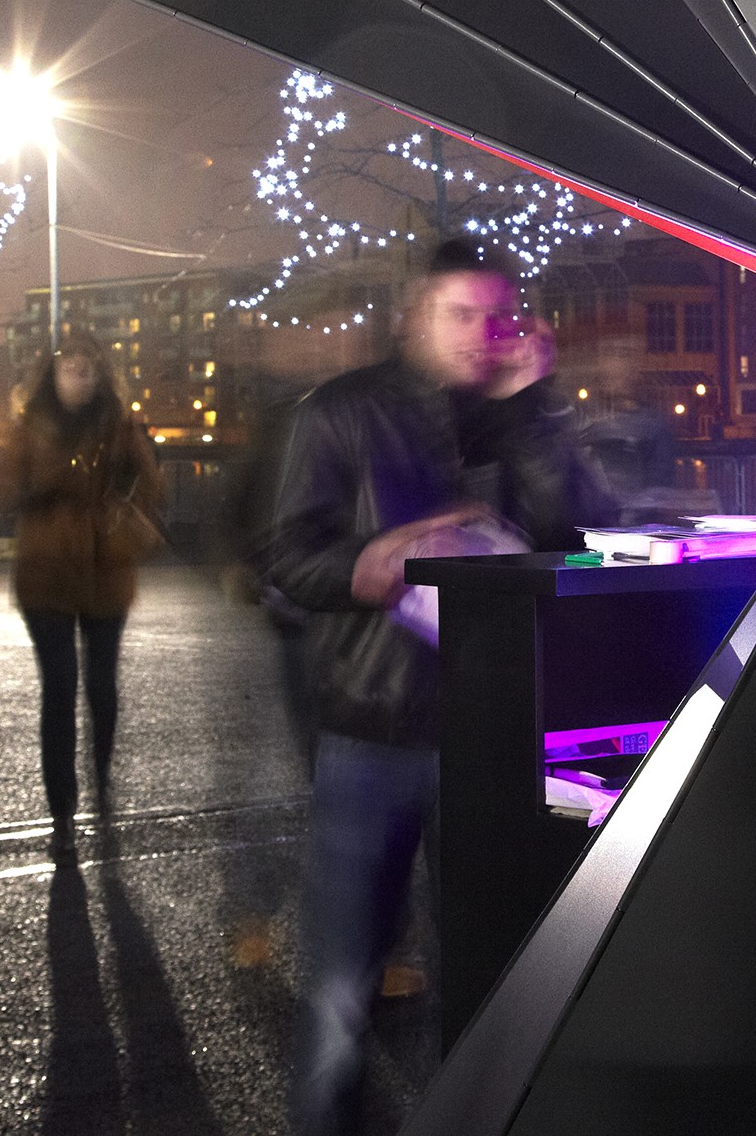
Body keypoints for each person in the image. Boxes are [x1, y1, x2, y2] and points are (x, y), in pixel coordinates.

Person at [253, 239, 609, 1136]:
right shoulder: (342, 411)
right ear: (414, 314)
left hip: (491, 726)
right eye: (460, 313)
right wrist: (373, 562)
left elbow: (579, 534)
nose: (481, 335)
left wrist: (535, 409)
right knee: (343, 981)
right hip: (372, 724)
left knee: (496, 975)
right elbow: (290, 555)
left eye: (496, 316)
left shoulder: (512, 414)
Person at [0, 331, 163, 858]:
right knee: (60, 690)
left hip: (106, 570)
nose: (79, 379)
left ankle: (102, 787)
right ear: (53, 374)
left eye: (88, 370)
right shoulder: (31, 427)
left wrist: (121, 492)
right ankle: (63, 812)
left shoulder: (119, 426)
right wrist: (43, 486)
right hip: (46, 574)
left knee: (102, 688)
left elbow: (151, 484)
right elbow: (2, 493)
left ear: (101, 376)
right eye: (70, 369)